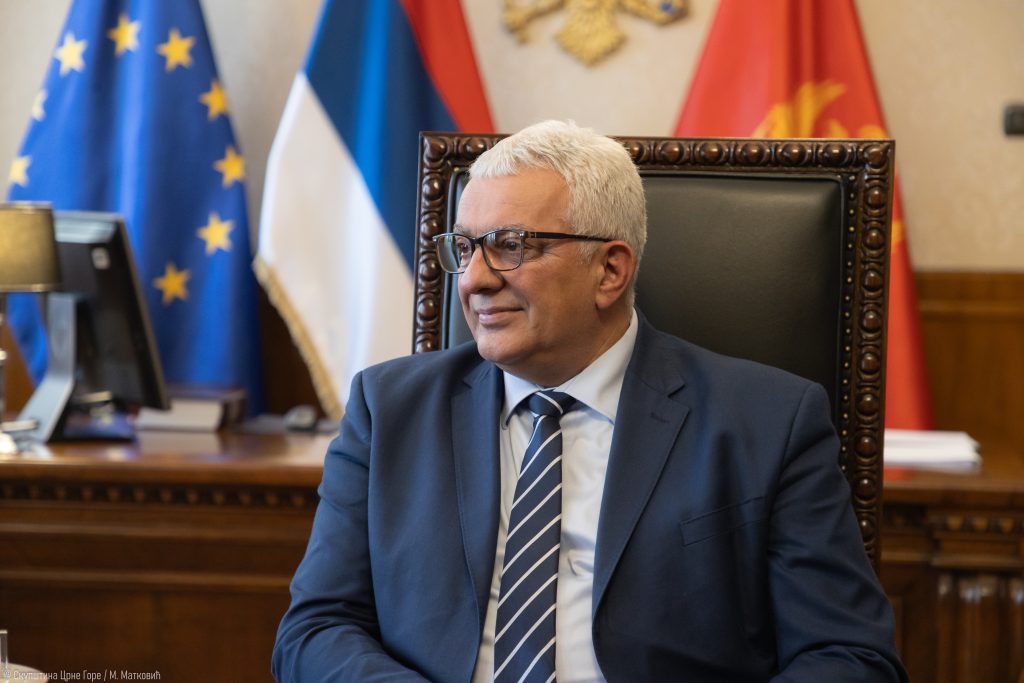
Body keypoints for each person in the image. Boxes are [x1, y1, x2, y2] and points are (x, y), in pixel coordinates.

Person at [272, 120, 907, 682]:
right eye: (464, 248)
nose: (474, 280)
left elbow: (850, 656)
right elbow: (316, 629)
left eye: (511, 245)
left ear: (610, 271)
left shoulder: (769, 421)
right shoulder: (389, 410)